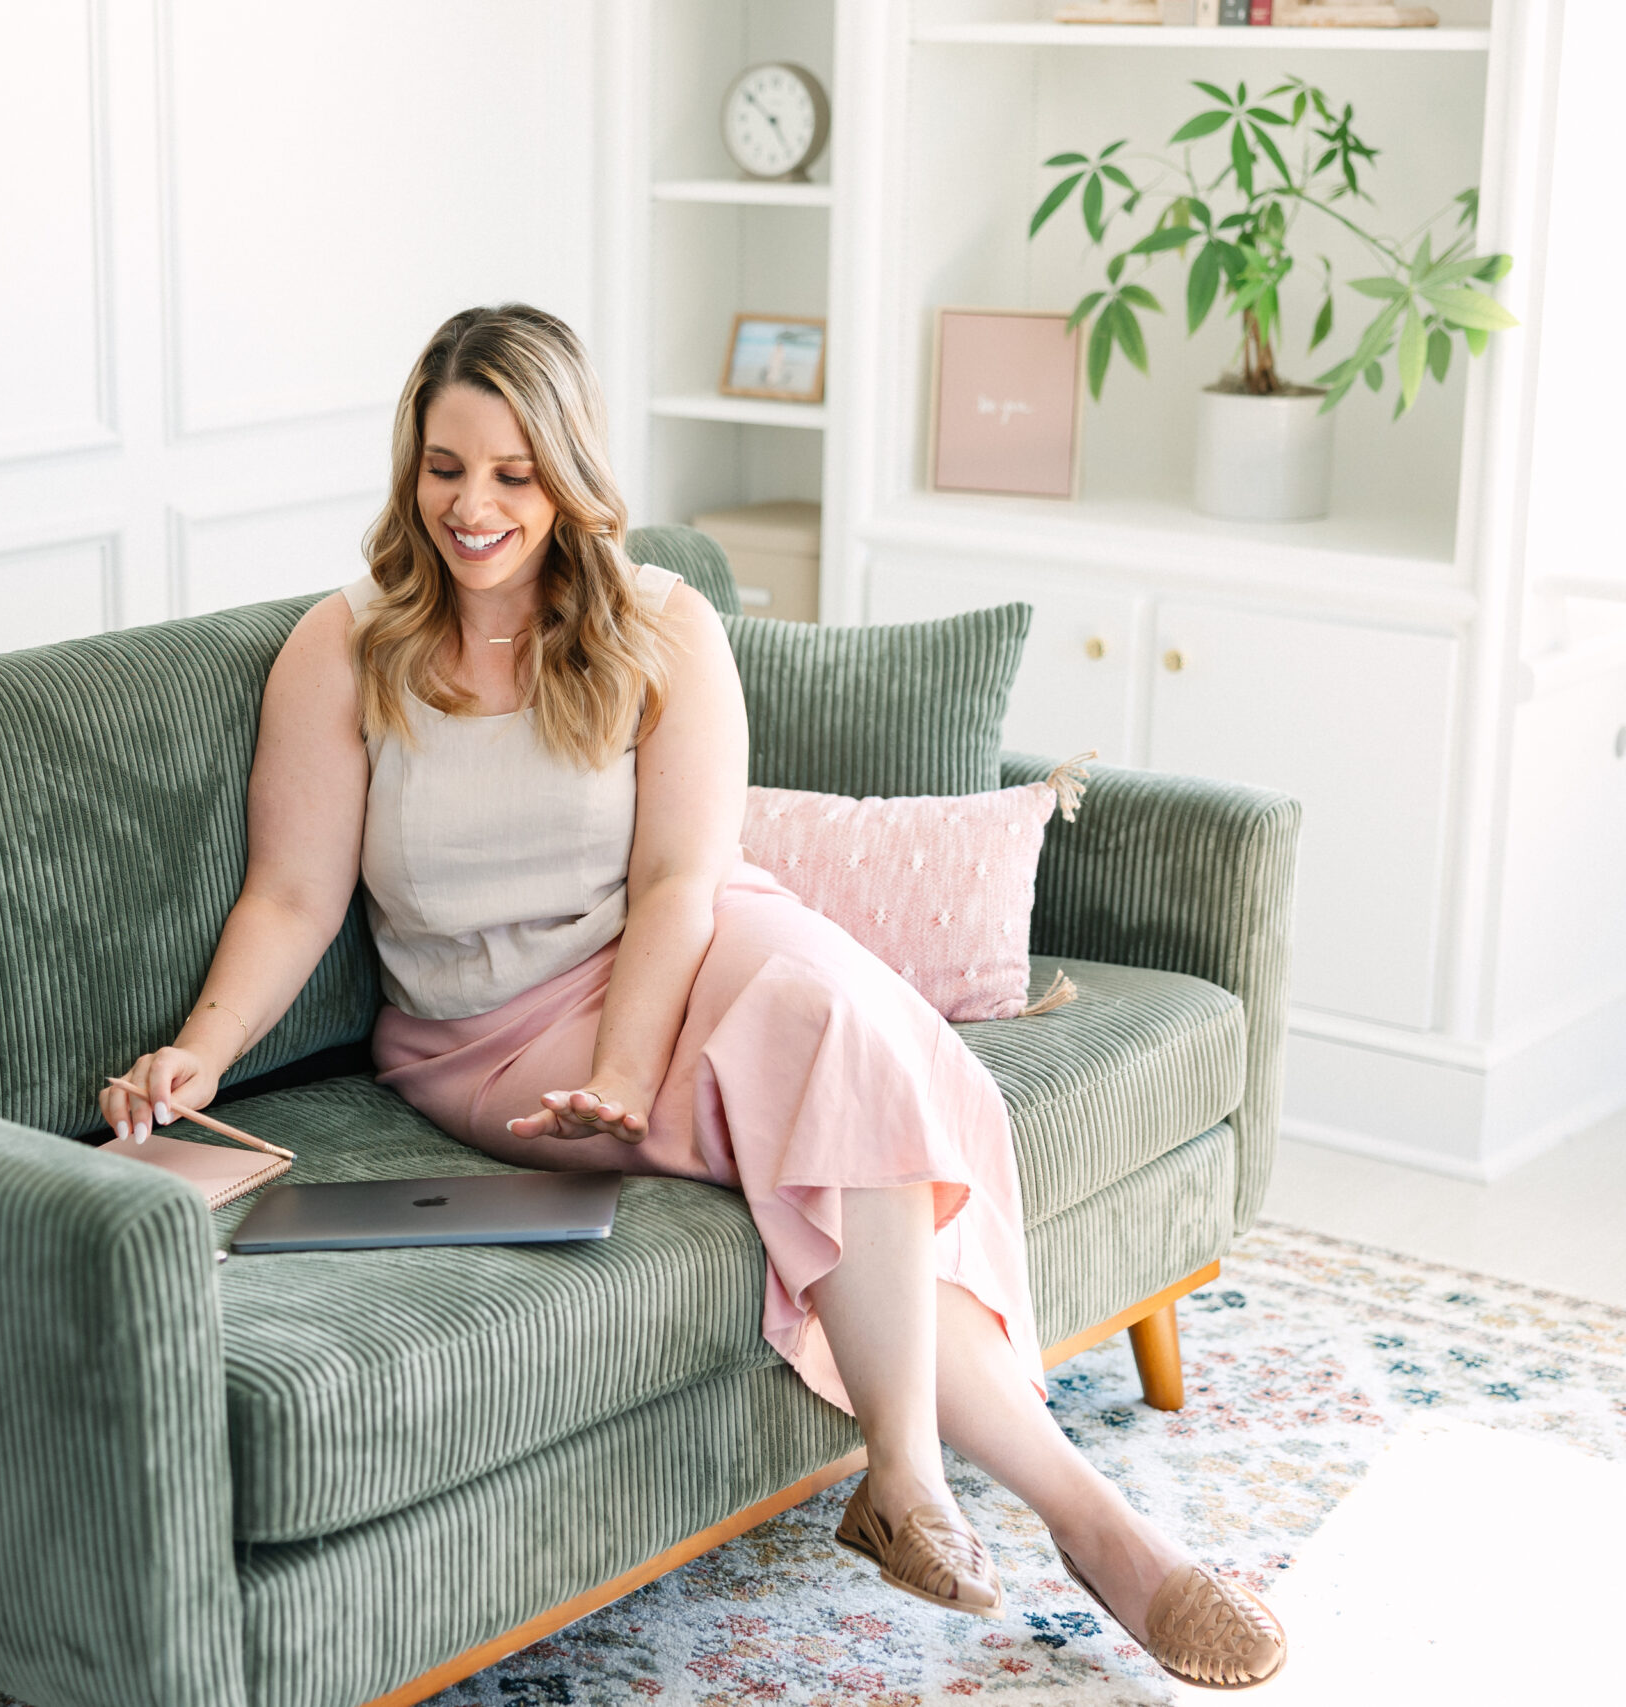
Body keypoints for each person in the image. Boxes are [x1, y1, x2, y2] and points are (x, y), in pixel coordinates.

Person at [97, 304, 1286, 1691]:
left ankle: (913, 1477)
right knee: (834, 1121)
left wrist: (630, 1057)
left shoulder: (664, 624)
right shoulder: (343, 650)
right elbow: (294, 898)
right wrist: (198, 1050)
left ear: (570, 472)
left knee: (846, 1028)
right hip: (484, 1036)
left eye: (512, 472)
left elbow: (678, 883)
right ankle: (1099, 1532)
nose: (472, 506)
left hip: (672, 952)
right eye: (443, 467)